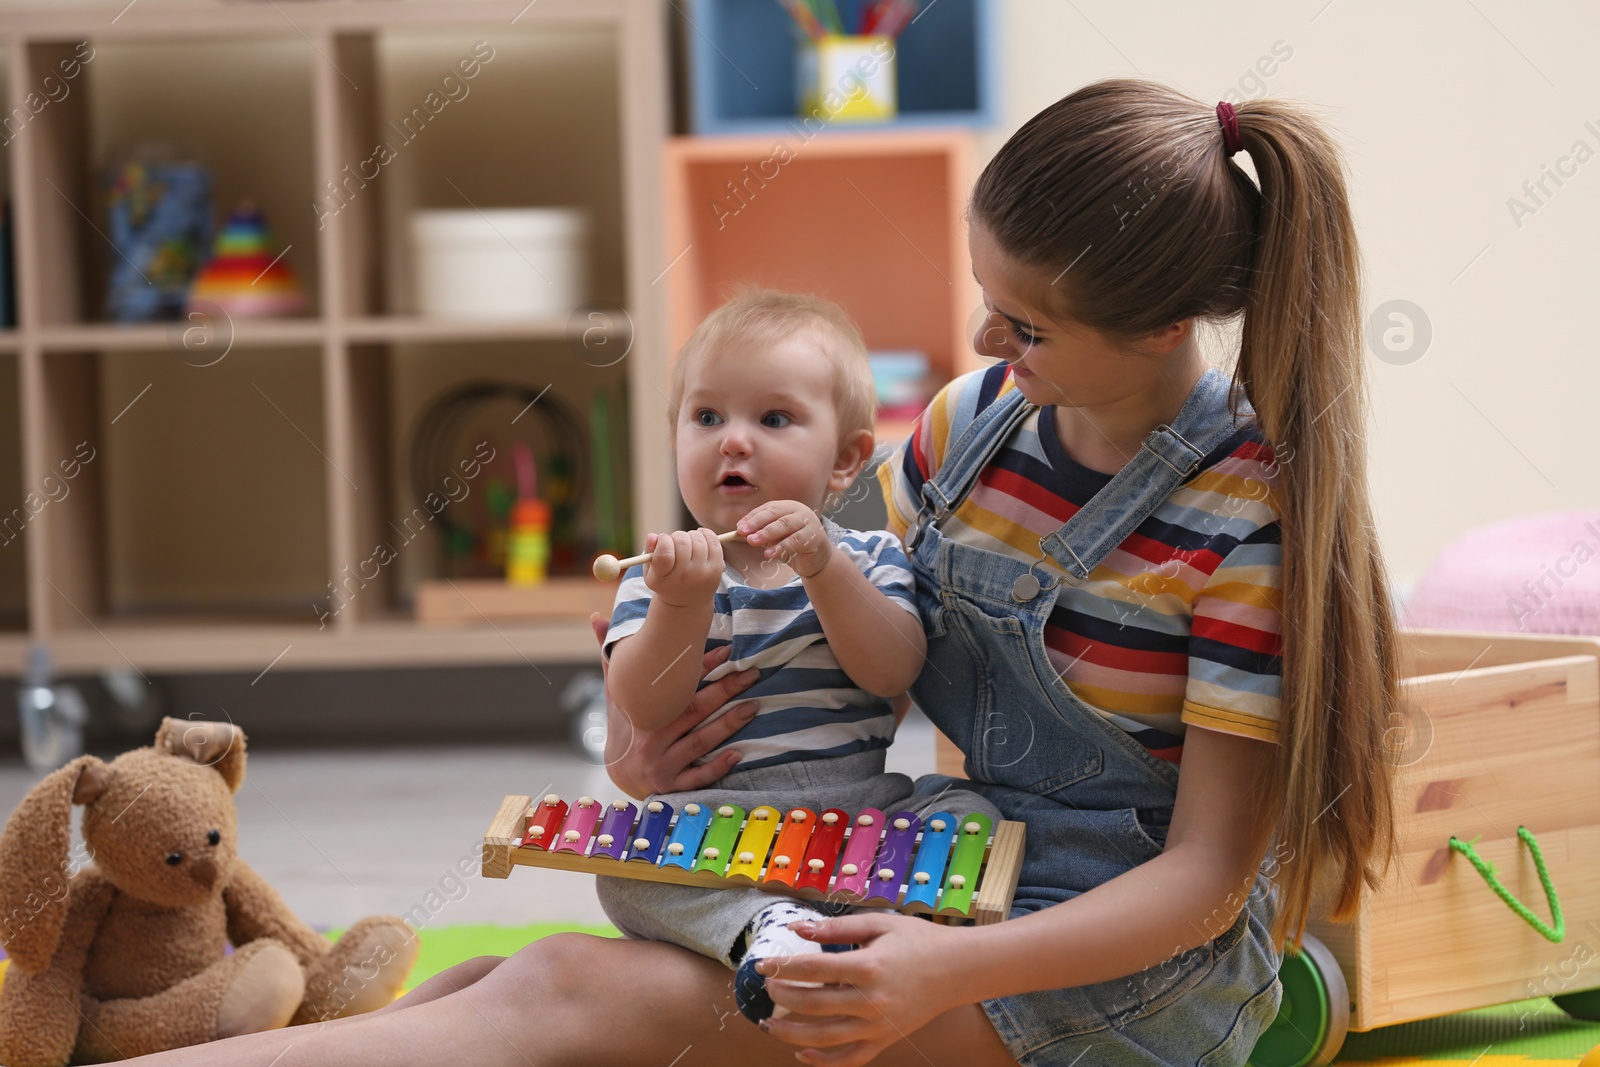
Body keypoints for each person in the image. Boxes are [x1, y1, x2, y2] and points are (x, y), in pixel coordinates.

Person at [116, 78, 1401, 1067]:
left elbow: (1203, 881)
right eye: (984, 296)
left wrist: (943, 976)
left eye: (1027, 324)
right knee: (539, 971)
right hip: (948, 871)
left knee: (569, 1000)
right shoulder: (976, 421)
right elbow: (809, 620)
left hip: (1117, 970)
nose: (979, 340)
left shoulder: (1245, 523)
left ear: (1166, 326)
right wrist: (643, 728)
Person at [594, 288, 1004, 1021]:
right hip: (715, 827)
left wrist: (823, 566)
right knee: (623, 874)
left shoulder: (870, 556)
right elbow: (647, 705)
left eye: (773, 418)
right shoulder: (656, 576)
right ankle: (765, 930)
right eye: (707, 417)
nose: (734, 441)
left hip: (858, 812)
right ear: (675, 435)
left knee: (969, 809)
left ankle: (902, 926)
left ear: (846, 459)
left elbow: (892, 669)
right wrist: (680, 605)